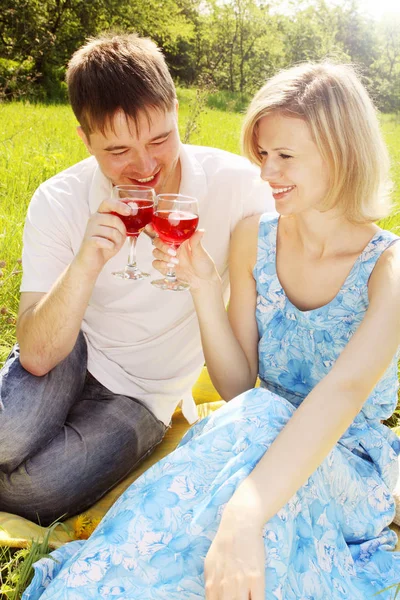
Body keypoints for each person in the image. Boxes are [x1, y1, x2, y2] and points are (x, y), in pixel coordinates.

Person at [21, 61, 400, 600]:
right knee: (233, 451)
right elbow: (239, 389)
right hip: (252, 435)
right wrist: (202, 285)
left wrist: (245, 514)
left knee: (249, 455)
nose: (266, 174)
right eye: (262, 155)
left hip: (345, 462)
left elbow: (340, 394)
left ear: (343, 152)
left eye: (285, 157)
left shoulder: (388, 269)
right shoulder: (255, 238)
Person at [0, 32, 273, 526]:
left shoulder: (239, 189)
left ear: (175, 112)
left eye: (160, 139)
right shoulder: (58, 199)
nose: (145, 167)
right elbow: (38, 354)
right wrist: (86, 261)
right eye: (119, 150)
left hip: (144, 394)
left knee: (36, 492)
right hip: (70, 353)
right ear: (85, 139)